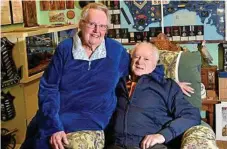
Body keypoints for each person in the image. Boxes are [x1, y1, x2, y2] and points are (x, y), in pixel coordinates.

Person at [21, 3, 130, 149]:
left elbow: (139, 66)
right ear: (81, 24)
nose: (97, 31)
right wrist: (54, 125)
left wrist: (159, 70)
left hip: (93, 114)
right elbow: (49, 88)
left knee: (42, 141)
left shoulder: (116, 51)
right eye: (92, 24)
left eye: (102, 26)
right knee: (35, 127)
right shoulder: (65, 49)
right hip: (61, 110)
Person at [107, 42, 201, 149]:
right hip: (117, 144)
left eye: (146, 59)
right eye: (136, 57)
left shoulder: (167, 86)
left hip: (151, 146)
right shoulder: (118, 83)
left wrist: (162, 135)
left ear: (155, 63)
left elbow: (191, 115)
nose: (139, 62)